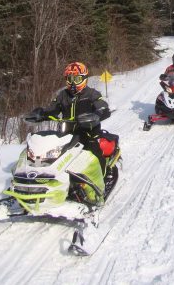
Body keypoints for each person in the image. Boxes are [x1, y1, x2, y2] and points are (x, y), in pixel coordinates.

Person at [29, 61, 117, 205]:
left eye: (77, 79)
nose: (73, 83)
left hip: (88, 132)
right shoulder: (63, 95)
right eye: (70, 79)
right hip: (67, 135)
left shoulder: (92, 94)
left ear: (84, 79)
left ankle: (101, 181)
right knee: (53, 156)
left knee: (94, 154)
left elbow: (103, 107)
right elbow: (53, 108)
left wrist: (97, 114)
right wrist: (42, 113)